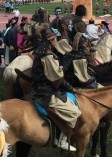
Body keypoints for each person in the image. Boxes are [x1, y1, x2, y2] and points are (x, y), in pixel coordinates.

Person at [31, 23, 81, 152]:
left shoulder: (42, 52)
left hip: (40, 88)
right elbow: (57, 80)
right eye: (53, 39)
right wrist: (71, 88)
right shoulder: (48, 56)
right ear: (48, 41)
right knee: (75, 112)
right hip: (46, 93)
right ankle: (62, 140)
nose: (56, 41)